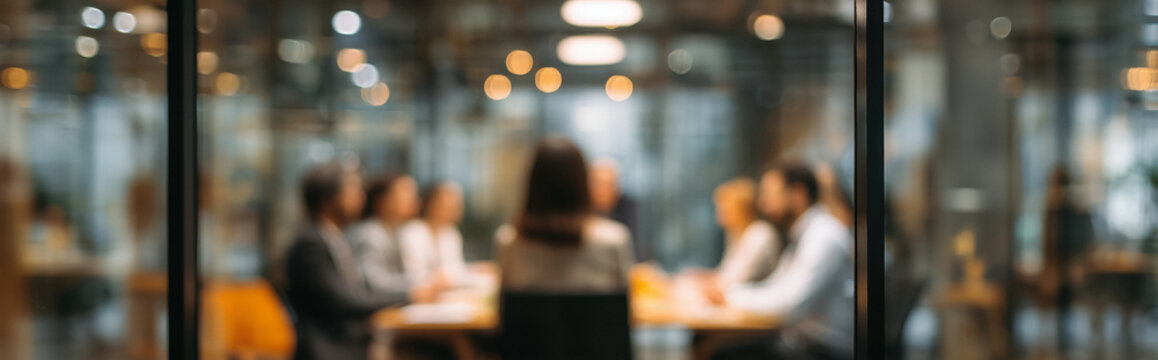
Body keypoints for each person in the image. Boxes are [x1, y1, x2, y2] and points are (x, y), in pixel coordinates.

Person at [707, 162, 854, 360]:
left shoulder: (825, 236)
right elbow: (778, 287)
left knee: (721, 353)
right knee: (720, 350)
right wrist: (731, 295)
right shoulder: (804, 233)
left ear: (798, 193)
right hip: (801, 341)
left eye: (771, 193)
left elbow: (790, 305)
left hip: (824, 350)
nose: (764, 204)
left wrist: (730, 296)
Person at [284, 164, 409, 360]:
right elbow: (346, 300)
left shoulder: (333, 236)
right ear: (327, 200)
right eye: (351, 191)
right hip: (330, 347)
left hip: (351, 339)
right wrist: (411, 296)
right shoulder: (310, 242)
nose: (361, 197)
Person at [496, 137, 634, 293]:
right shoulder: (613, 241)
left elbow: (504, 310)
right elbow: (624, 311)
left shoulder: (509, 242)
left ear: (532, 186)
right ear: (582, 184)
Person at [705, 177, 781, 291]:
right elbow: (724, 274)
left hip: (754, 305)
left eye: (725, 206)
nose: (719, 211)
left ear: (742, 209)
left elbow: (733, 281)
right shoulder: (736, 235)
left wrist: (702, 284)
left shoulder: (759, 234)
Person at [351, 174, 422, 293]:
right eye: (406, 193)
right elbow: (372, 283)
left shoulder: (397, 230)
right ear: (381, 201)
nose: (414, 199)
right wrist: (420, 283)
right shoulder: (369, 234)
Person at [398, 181, 470, 290]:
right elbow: (413, 274)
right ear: (431, 204)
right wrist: (441, 278)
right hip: (419, 293)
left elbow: (457, 269)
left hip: (445, 293)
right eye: (448, 204)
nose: (455, 209)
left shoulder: (451, 233)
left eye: (457, 204)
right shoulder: (413, 232)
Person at [589, 159, 643, 261]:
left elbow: (633, 250)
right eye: (598, 183)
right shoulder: (581, 213)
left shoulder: (627, 208)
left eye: (608, 184)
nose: (601, 190)